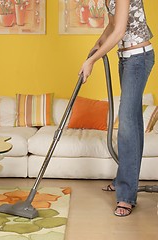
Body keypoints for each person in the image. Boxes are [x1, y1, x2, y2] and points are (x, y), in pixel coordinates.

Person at [79, 0, 155, 217]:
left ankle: (126, 196)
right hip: (126, 59)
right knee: (133, 124)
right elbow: (112, 25)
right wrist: (97, 44)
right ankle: (125, 181)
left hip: (138, 58)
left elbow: (120, 30)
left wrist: (93, 60)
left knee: (127, 125)